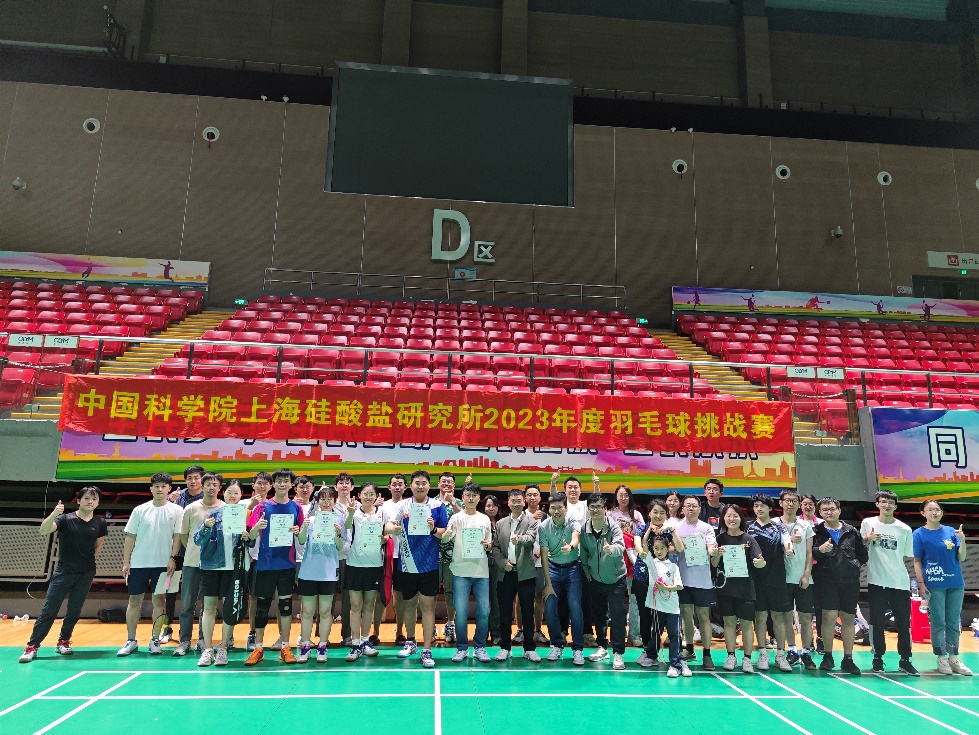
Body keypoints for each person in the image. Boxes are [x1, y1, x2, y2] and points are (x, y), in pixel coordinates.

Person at [20, 488, 107, 663]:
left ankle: (63, 641)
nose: (90, 501)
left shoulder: (100, 522)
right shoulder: (65, 519)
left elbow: (99, 543)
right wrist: (54, 513)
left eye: (94, 499)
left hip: (86, 573)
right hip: (64, 572)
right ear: (79, 501)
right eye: (86, 498)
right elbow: (44, 530)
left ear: (98, 502)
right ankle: (32, 646)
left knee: (74, 610)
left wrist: (88, 560)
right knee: (49, 610)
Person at [385, 470, 449, 668]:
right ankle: (411, 642)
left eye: (424, 483)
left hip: (429, 565)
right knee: (410, 605)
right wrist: (393, 529)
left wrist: (433, 529)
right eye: (417, 483)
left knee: (428, 607)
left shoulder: (437, 506)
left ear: (429, 486)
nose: (420, 486)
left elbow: (444, 533)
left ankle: (427, 649)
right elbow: (388, 526)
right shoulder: (403, 505)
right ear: (411, 486)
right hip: (407, 564)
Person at [118, 472, 184, 656]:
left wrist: (173, 558)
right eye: (157, 486)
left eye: (163, 486)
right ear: (151, 489)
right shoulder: (140, 510)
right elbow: (130, 536)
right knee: (134, 601)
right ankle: (131, 640)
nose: (160, 489)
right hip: (139, 563)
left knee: (159, 601)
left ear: (169, 489)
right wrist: (126, 561)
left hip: (163, 564)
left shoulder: (176, 510)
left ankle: (155, 639)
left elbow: (177, 536)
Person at [244, 468, 304, 666]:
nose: (282, 484)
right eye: (278, 480)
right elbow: (250, 536)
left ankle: (285, 646)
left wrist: (298, 531)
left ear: (291, 485)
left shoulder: (296, 507)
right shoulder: (262, 507)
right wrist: (256, 528)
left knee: (285, 606)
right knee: (261, 607)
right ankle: (258, 648)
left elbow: (302, 537)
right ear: (273, 484)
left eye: (286, 481)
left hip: (287, 564)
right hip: (265, 564)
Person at [194, 480, 250, 666]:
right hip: (211, 567)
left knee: (228, 609)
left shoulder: (244, 516)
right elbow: (197, 540)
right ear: (223, 493)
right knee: (209, 608)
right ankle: (208, 649)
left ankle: (223, 648)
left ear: (241, 495)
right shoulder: (212, 515)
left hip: (233, 570)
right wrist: (206, 527)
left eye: (236, 493)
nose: (232, 496)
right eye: (229, 492)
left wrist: (247, 537)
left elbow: (250, 543)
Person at [861, 491, 917, 675]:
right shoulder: (867, 523)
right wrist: (868, 539)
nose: (887, 505)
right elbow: (860, 549)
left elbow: (906, 555)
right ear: (877, 504)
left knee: (903, 623)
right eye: (883, 502)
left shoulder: (904, 529)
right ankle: (877, 658)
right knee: (876, 621)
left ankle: (905, 660)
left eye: (891, 502)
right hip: (877, 580)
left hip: (900, 582)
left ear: (895, 506)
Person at [913, 500, 971, 675]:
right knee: (939, 622)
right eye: (930, 509)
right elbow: (917, 561)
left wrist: (962, 540)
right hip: (934, 584)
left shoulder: (951, 532)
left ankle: (954, 657)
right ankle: (941, 657)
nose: (934, 512)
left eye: (937, 509)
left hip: (955, 583)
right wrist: (921, 584)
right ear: (923, 513)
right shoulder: (919, 534)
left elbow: (961, 557)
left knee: (953, 622)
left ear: (942, 512)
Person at [169, 471, 224, 656]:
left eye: (215, 485)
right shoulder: (191, 508)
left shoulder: (224, 508)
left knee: (208, 606)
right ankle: (184, 641)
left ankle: (203, 640)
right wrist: (195, 550)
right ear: (203, 486)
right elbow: (183, 534)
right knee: (187, 605)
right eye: (208, 484)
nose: (211, 487)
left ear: (219, 488)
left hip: (213, 565)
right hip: (192, 563)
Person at [811, 497, 867, 675]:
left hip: (849, 581)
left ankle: (848, 659)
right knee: (828, 617)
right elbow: (809, 554)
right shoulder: (815, 532)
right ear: (820, 513)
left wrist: (852, 566)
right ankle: (828, 656)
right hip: (826, 580)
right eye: (825, 510)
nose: (829, 512)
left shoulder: (852, 531)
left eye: (832, 509)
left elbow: (863, 556)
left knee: (848, 618)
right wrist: (820, 550)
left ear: (839, 511)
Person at [295, 486, 346, 663]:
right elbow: (302, 541)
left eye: (329, 499)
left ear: (334, 501)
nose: (326, 502)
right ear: (317, 502)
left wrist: (338, 534)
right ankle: (305, 646)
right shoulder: (310, 519)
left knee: (325, 611)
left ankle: (322, 646)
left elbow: (340, 547)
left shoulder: (338, 520)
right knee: (307, 611)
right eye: (322, 499)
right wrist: (304, 527)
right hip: (308, 571)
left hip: (329, 573)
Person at [444, 482, 493, 663]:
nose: (471, 498)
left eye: (474, 495)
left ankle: (480, 646)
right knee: (461, 612)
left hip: (481, 572)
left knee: (484, 611)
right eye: (468, 495)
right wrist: (447, 534)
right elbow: (445, 539)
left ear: (479, 498)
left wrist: (487, 545)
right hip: (460, 571)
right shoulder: (456, 518)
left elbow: (489, 544)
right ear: (463, 497)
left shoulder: (484, 519)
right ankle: (462, 648)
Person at [578, 492, 628, 670]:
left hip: (616, 579)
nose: (596, 510)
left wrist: (611, 549)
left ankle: (618, 653)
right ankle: (602, 647)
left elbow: (620, 545)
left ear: (605, 509)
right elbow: (584, 553)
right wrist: (587, 572)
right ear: (588, 509)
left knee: (617, 616)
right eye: (592, 507)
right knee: (599, 615)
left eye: (599, 507)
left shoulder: (613, 526)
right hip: (595, 579)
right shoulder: (585, 528)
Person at [712, 504, 764, 674]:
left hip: (745, 589)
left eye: (735, 516)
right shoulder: (719, 539)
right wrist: (718, 555)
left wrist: (760, 562)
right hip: (725, 588)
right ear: (723, 519)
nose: (731, 519)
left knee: (747, 624)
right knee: (729, 622)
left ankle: (747, 658)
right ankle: (731, 656)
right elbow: (713, 564)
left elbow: (760, 561)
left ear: (741, 518)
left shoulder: (749, 539)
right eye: (728, 516)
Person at [549, 472, 600, 645]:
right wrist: (553, 483)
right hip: (562, 559)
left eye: (575, 487)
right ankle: (562, 631)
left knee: (585, 598)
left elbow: (596, 500)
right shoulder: (562, 507)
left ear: (580, 490)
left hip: (582, 559)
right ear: (564, 490)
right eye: (569, 487)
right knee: (562, 599)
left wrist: (596, 485)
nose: (572, 490)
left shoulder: (585, 505)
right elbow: (553, 499)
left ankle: (587, 633)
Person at [492, 488, 540, 662]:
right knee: (505, 611)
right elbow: (495, 547)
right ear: (509, 502)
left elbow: (531, 538)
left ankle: (529, 648)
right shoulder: (500, 523)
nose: (516, 503)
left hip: (525, 573)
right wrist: (502, 562)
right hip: (505, 573)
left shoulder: (531, 521)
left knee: (527, 612)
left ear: (524, 502)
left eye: (519, 501)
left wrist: (519, 539)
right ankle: (505, 647)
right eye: (513, 501)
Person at [747, 494, 794, 673]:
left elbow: (787, 542)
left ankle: (781, 655)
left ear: (770, 508)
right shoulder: (749, 528)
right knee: (760, 616)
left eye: (762, 505)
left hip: (776, 577)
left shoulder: (779, 527)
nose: (759, 508)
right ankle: (763, 654)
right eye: (756, 505)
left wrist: (789, 549)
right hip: (756, 579)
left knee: (778, 617)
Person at [539, 492, 585, 665]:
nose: (556, 511)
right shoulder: (543, 527)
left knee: (575, 606)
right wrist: (548, 584)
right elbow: (544, 557)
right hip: (552, 569)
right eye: (553, 508)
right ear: (549, 510)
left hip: (573, 568)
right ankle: (557, 645)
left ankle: (578, 648)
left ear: (565, 508)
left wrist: (571, 547)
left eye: (560, 507)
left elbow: (576, 537)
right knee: (550, 606)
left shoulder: (573, 521)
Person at [634, 499, 680, 666]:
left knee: (660, 619)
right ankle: (647, 649)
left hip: (662, 582)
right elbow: (639, 546)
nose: (658, 515)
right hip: (643, 579)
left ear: (666, 515)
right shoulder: (641, 528)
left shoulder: (667, 531)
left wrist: (671, 531)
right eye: (655, 512)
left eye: (662, 513)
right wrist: (643, 549)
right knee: (645, 617)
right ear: (649, 513)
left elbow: (679, 548)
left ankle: (661, 654)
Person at [161, 464, 205, 643]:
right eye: (189, 478)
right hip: (177, 552)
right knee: (170, 590)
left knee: (200, 595)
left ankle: (201, 634)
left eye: (196, 478)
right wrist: (169, 501)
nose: (193, 481)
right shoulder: (177, 497)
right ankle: (167, 628)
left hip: (198, 554)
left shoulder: (207, 499)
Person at [344, 482, 386, 662]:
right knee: (355, 605)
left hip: (374, 564)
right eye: (365, 494)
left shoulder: (382, 514)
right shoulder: (353, 512)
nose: (368, 497)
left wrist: (384, 538)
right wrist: (350, 513)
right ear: (359, 495)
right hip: (354, 564)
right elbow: (346, 526)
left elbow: (386, 533)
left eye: (371, 494)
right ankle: (355, 644)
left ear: (376, 497)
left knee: (369, 605)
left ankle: (365, 641)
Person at [674, 495, 718, 669]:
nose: (691, 508)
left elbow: (711, 547)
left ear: (700, 509)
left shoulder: (706, 528)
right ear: (683, 509)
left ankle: (707, 654)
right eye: (688, 506)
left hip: (702, 580)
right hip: (683, 579)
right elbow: (673, 548)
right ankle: (690, 650)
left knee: (704, 617)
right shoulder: (676, 527)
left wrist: (713, 550)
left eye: (694, 505)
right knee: (686, 616)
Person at [779, 489, 816, 670]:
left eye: (794, 501)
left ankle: (806, 652)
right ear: (781, 503)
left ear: (798, 504)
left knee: (805, 617)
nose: (790, 504)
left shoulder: (806, 525)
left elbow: (809, 553)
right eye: (787, 500)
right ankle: (792, 650)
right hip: (782, 578)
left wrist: (807, 574)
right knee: (786, 616)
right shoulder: (774, 524)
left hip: (803, 578)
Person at [641, 534, 686, 677]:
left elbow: (679, 586)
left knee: (674, 635)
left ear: (668, 549)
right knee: (655, 632)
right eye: (656, 548)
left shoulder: (673, 566)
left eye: (662, 548)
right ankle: (651, 656)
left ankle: (675, 664)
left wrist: (665, 588)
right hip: (657, 607)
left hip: (672, 608)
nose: (659, 551)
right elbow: (644, 543)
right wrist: (649, 529)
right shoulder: (651, 562)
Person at [608, 484, 645, 647]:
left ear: (630, 497)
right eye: (620, 495)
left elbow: (642, 535)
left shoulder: (636, 515)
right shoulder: (610, 514)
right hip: (615, 562)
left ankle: (634, 634)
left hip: (633, 563)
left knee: (635, 599)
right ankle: (617, 635)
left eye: (626, 495)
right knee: (615, 601)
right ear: (616, 497)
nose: (623, 498)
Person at [376, 473, 408, 644]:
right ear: (389, 487)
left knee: (400, 596)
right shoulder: (382, 507)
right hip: (385, 556)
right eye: (394, 484)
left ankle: (400, 633)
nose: (397, 487)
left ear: (405, 487)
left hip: (404, 557)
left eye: (400, 484)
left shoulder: (410, 506)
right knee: (381, 595)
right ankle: (374, 633)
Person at [242, 471, 272, 651]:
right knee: (252, 596)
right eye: (259, 483)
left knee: (268, 596)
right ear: (253, 485)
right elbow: (239, 527)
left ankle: (276, 636)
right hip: (248, 557)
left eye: (266, 483)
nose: (262, 486)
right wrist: (250, 507)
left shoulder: (274, 504)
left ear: (271, 486)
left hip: (269, 558)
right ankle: (251, 633)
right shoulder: (243, 504)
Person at [433, 471, 463, 643]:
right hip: (432, 555)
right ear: (438, 484)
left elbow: (464, 519)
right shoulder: (431, 503)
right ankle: (431, 625)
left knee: (451, 592)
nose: (446, 484)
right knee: (431, 592)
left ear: (454, 485)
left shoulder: (459, 503)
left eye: (449, 482)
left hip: (454, 556)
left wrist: (453, 502)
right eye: (443, 481)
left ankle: (451, 624)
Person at [521, 483, 549, 646]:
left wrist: (537, 554)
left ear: (540, 498)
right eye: (529, 495)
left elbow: (548, 539)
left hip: (539, 562)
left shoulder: (546, 517)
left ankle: (538, 631)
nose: (532, 497)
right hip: (523, 563)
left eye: (535, 495)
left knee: (539, 596)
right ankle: (520, 631)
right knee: (520, 598)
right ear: (525, 498)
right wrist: (531, 519)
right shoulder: (521, 515)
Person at [333, 472, 357, 646]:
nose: (344, 485)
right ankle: (323, 636)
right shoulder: (328, 505)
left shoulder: (359, 506)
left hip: (351, 556)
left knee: (348, 598)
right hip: (331, 556)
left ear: (352, 487)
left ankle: (347, 635)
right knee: (328, 596)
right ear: (335, 487)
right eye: (340, 483)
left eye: (347, 483)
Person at [482, 493, 502, 645]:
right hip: (481, 564)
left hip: (497, 565)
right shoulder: (479, 521)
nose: (491, 508)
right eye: (488, 505)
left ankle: (496, 633)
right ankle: (482, 633)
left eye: (494, 505)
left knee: (496, 600)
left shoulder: (503, 523)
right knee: (483, 601)